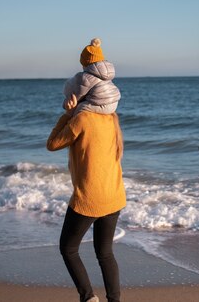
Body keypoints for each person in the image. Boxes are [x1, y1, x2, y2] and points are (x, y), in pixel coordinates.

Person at [47, 86, 126, 302]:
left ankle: (88, 297)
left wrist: (67, 114)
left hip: (89, 198)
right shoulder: (111, 117)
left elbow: (52, 144)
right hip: (114, 195)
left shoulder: (81, 119)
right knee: (105, 253)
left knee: (68, 248)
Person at [63, 38, 121, 115]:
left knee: (78, 109)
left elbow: (78, 96)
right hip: (114, 102)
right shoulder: (105, 73)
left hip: (101, 105)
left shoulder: (86, 77)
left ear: (84, 63)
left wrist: (66, 105)